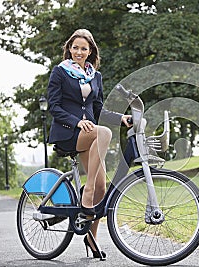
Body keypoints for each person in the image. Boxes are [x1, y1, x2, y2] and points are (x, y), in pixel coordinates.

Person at [47, 28, 131, 259]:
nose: (79, 52)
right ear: (69, 49)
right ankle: (88, 191)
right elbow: (54, 107)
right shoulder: (60, 72)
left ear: (90, 50)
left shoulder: (96, 76)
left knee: (103, 189)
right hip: (69, 132)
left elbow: (98, 110)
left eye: (84, 48)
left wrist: (121, 118)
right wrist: (76, 123)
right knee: (103, 133)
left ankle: (90, 237)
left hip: (92, 134)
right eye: (75, 47)